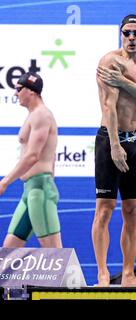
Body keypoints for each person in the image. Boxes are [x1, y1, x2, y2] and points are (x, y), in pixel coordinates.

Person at [92, 14, 136, 287]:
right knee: (105, 209)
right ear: (121, 35)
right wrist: (115, 146)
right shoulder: (109, 62)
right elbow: (109, 107)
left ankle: (129, 275)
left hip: (135, 141)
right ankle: (103, 274)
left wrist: (126, 83)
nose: (131, 38)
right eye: (127, 33)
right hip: (110, 140)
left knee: (132, 210)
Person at [0, 72, 62, 248]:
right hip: (30, 191)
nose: (15, 94)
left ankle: (74, 277)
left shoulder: (41, 115)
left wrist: (5, 182)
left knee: (55, 254)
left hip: (39, 191)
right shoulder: (34, 115)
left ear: (31, 91)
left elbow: (33, 155)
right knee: (8, 252)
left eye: (19, 89)